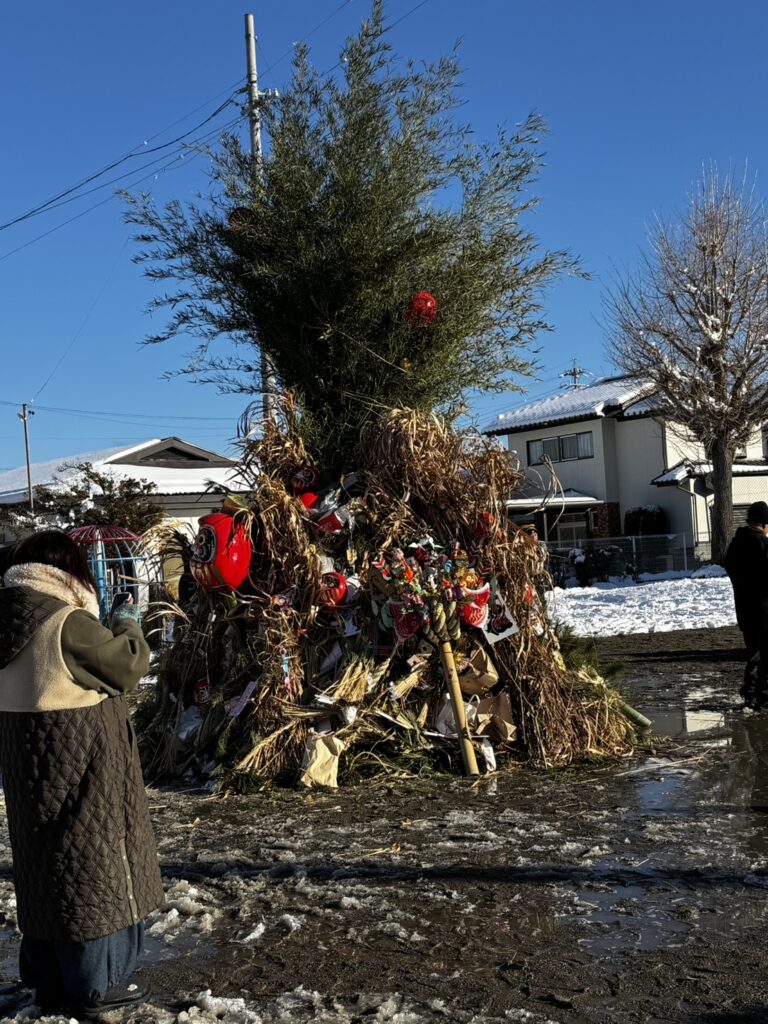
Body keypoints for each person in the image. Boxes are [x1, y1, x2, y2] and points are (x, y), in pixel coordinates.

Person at [0, 530, 163, 1017]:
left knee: (45, 869)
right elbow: (127, 667)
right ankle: (97, 982)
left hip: (29, 767)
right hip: (81, 761)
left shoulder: (8, 618)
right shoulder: (64, 620)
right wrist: (129, 624)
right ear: (66, 571)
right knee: (95, 865)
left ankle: (50, 978)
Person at [725, 501, 768, 708]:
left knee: (753, 651)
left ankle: (750, 691)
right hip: (764, 610)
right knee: (763, 653)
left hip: (743, 607)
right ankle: (759, 693)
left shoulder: (735, 545)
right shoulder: (762, 545)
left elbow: (731, 571)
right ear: (764, 524)